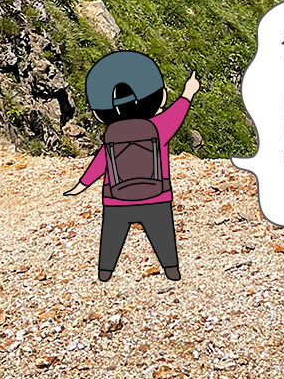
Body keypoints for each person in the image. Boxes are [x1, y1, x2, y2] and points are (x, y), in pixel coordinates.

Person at [64, 50, 199, 283]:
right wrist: (189, 91)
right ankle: (171, 269)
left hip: (116, 199)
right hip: (157, 196)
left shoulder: (111, 133)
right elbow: (179, 110)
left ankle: (105, 273)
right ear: (161, 97)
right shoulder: (160, 126)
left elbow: (101, 161)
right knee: (163, 235)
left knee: (111, 238)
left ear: (99, 113)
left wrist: (81, 184)